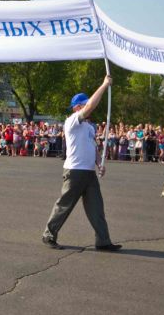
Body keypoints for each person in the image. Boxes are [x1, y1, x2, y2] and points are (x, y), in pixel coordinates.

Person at [42, 75, 121, 251]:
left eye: (86, 103)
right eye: (83, 104)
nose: (87, 107)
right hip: (75, 171)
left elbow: (92, 146)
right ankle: (49, 235)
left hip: (89, 172)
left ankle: (103, 241)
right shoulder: (72, 121)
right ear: (77, 107)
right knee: (65, 205)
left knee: (97, 208)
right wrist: (104, 85)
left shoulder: (88, 126)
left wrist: (99, 163)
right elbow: (92, 105)